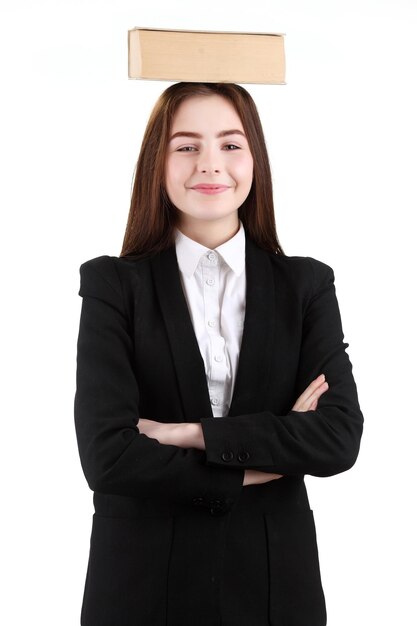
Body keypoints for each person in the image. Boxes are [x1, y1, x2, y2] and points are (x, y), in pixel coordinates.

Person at [74, 81, 363, 626]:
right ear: (156, 164)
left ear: (256, 159)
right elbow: (108, 456)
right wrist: (266, 461)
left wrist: (185, 434)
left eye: (230, 145)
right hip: (140, 587)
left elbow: (338, 438)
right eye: (187, 146)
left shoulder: (307, 285)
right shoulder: (113, 285)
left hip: (276, 588)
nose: (210, 165)